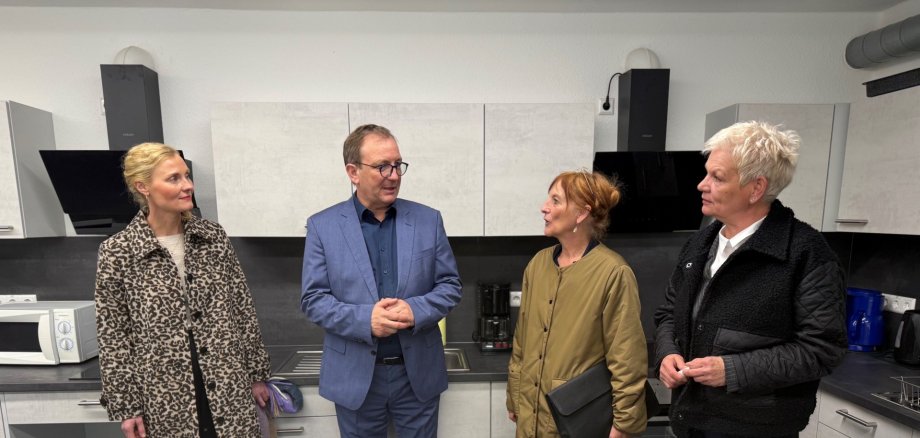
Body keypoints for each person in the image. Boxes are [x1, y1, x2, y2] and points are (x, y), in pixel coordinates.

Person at [654, 121, 848, 438]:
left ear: (756, 188)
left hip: (757, 429)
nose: (701, 185)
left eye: (717, 177)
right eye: (706, 174)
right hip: (692, 421)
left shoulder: (806, 253)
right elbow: (667, 313)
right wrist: (666, 353)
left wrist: (732, 371)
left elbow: (821, 350)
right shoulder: (698, 245)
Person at [95, 143, 271, 438]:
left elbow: (242, 309)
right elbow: (113, 337)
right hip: (164, 394)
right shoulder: (118, 251)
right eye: (173, 178)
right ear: (143, 186)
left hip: (227, 381)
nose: (187, 185)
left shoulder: (212, 237)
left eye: (187, 176)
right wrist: (127, 408)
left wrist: (256, 375)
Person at [300, 124, 462, 438]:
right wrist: (365, 319)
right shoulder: (323, 226)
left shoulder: (429, 220)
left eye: (398, 164)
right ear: (353, 172)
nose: (394, 174)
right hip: (356, 378)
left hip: (417, 375)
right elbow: (313, 299)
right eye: (382, 166)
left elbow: (450, 286)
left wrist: (416, 310)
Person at [506, 170, 648, 438]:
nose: (544, 207)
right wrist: (516, 396)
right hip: (531, 416)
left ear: (581, 214)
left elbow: (627, 357)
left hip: (577, 420)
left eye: (556, 201)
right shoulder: (537, 264)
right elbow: (522, 341)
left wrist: (624, 425)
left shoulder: (613, 272)